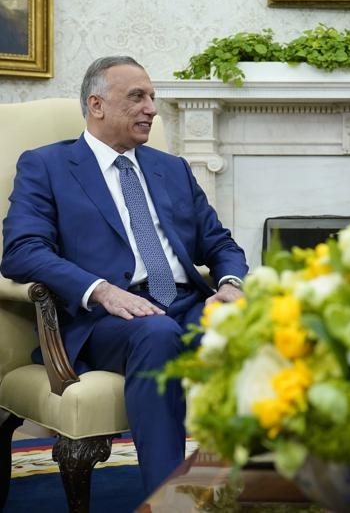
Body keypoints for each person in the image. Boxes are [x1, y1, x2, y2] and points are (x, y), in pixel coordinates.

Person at [0, 56, 249, 494]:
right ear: (96, 105)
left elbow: (220, 244)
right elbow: (22, 251)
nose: (151, 108)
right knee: (156, 333)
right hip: (105, 319)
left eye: (152, 97)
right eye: (137, 97)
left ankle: (244, 489)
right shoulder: (47, 167)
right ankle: (168, 499)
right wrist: (100, 291)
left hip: (187, 303)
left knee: (261, 329)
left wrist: (229, 286)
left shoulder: (170, 168)